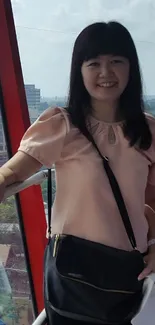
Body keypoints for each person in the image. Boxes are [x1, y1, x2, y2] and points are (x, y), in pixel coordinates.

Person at [0, 21, 155, 325]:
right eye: (93, 63)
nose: (105, 73)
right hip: (74, 271)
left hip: (127, 270)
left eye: (116, 62)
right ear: (79, 70)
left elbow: (151, 200)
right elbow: (18, 168)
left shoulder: (148, 131)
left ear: (130, 67)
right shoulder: (62, 125)